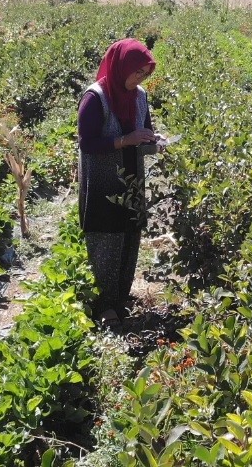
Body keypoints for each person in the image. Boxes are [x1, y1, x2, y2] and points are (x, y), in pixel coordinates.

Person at [77, 38, 158, 328]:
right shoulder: (95, 98)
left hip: (131, 177)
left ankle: (121, 295)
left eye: (146, 74)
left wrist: (154, 141)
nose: (141, 79)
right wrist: (125, 140)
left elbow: (145, 131)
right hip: (102, 183)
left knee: (129, 233)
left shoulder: (140, 96)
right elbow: (88, 144)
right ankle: (104, 303)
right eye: (138, 72)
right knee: (106, 238)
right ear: (121, 66)